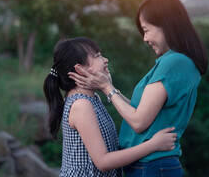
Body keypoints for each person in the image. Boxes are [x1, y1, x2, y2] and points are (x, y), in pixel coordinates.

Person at [68, 0, 208, 176]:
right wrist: (110, 88)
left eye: (147, 30)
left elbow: (138, 121)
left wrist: (107, 88)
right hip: (152, 165)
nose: (145, 38)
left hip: (151, 166)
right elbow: (139, 110)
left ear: (166, 24)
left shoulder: (173, 63)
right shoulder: (179, 62)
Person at [43, 36, 177, 177]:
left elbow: (136, 112)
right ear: (80, 69)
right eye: (98, 56)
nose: (105, 59)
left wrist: (109, 87)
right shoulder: (81, 105)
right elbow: (103, 162)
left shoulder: (93, 98)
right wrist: (153, 145)